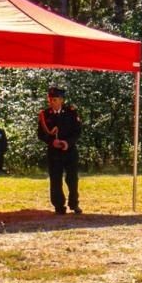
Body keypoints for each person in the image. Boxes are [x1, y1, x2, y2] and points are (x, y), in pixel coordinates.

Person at [36, 84, 82, 215]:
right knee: (55, 179)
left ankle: (74, 204)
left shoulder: (71, 112)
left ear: (62, 100)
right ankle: (58, 206)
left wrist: (68, 142)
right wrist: (52, 141)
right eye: (50, 99)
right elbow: (41, 134)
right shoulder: (45, 114)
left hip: (70, 151)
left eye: (55, 99)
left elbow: (77, 131)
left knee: (72, 179)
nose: (52, 102)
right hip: (54, 152)